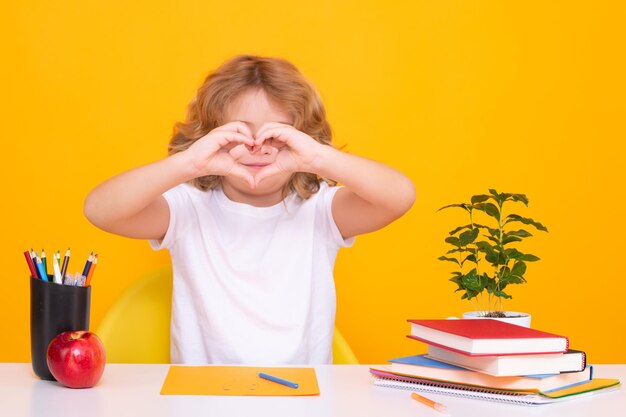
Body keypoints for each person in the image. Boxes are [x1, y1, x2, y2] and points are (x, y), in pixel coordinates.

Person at [84, 55, 415, 365]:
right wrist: (188, 163)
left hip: (303, 400)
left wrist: (317, 158)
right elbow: (100, 210)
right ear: (210, 135)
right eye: (239, 132)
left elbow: (400, 196)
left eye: (277, 134)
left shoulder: (322, 211)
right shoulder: (187, 209)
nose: (258, 147)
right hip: (203, 400)